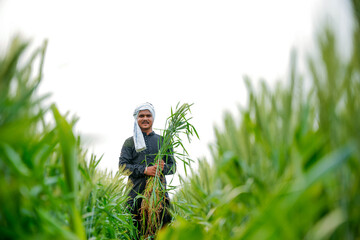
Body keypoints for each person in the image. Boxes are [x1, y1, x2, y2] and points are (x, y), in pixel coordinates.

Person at [119, 102, 175, 236]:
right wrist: (145, 170)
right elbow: (122, 167)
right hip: (134, 198)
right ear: (136, 119)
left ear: (153, 118)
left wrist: (163, 167)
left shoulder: (164, 140)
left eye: (148, 115)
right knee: (134, 234)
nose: (145, 118)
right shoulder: (130, 142)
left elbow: (173, 167)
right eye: (141, 116)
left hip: (160, 199)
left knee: (161, 234)